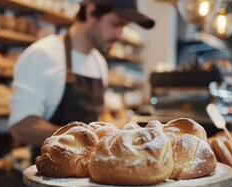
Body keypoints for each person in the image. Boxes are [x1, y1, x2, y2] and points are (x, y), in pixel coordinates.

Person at [9, 0, 154, 152]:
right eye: (116, 24)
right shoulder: (42, 55)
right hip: (51, 169)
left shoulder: (99, 62)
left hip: (89, 170)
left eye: (124, 27)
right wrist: (85, 142)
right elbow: (22, 127)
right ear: (91, 12)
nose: (120, 35)